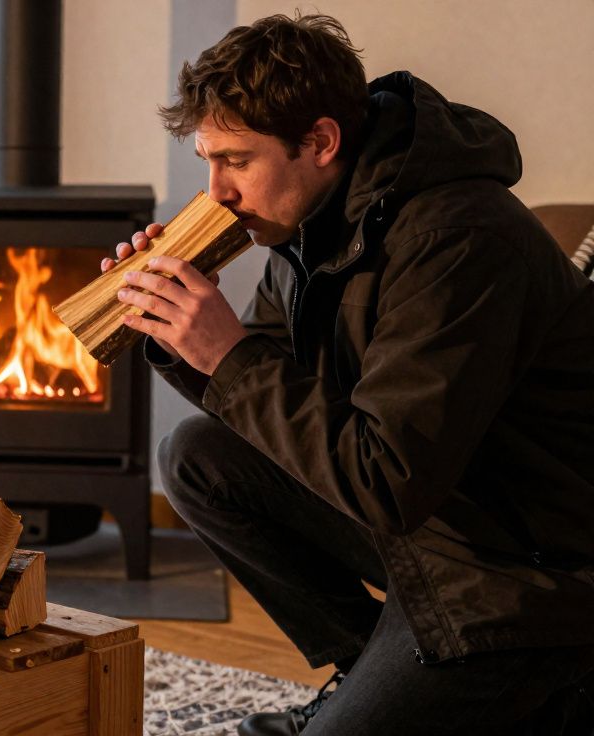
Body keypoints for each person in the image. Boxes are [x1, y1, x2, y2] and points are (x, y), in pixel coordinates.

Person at [101, 13, 594, 735]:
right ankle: (369, 669)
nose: (216, 193)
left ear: (321, 141)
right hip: (434, 528)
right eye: (209, 161)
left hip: (516, 570)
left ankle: (541, 689)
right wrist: (177, 333)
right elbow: (279, 403)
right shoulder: (312, 221)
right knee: (199, 458)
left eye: (236, 161)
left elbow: (387, 480)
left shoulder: (459, 241)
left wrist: (227, 353)